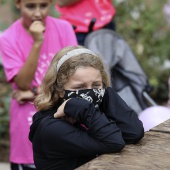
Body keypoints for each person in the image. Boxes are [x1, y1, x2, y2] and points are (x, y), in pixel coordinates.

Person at [29, 45, 144, 170]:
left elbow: (134, 132)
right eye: (79, 87)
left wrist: (106, 93)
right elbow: (114, 142)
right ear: (60, 90)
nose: (90, 93)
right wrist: (78, 106)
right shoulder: (50, 128)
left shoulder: (89, 112)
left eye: (96, 85)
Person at [0, 0, 77, 169]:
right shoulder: (8, 38)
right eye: (30, 6)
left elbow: (74, 79)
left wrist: (35, 91)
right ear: (18, 4)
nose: (37, 13)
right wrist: (37, 43)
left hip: (62, 122)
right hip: (27, 126)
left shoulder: (64, 28)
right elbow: (22, 83)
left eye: (43, 6)